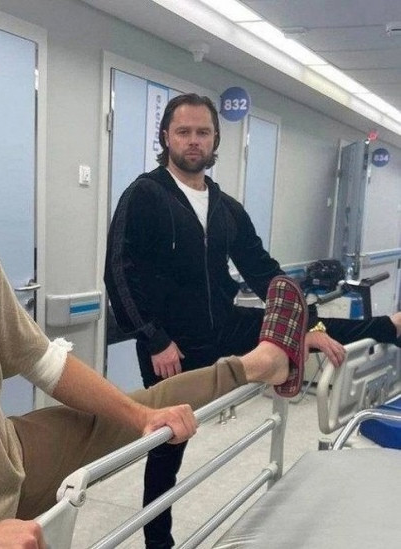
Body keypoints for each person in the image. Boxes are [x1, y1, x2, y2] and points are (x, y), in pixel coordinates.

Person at [0, 2, 311, 548]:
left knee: (151, 407)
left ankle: (263, 362)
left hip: (5, 463)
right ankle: (262, 362)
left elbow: (44, 361)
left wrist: (136, 416)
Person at [104, 92, 401, 548]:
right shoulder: (144, 195)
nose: (193, 140)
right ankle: (158, 544)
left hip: (223, 325)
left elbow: (263, 271)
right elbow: (119, 272)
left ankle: (391, 327)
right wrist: (153, 338)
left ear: (215, 139)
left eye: (203, 132)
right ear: (165, 137)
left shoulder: (225, 207)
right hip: (172, 346)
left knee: (313, 327)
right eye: (183, 132)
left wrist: (304, 325)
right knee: (167, 450)